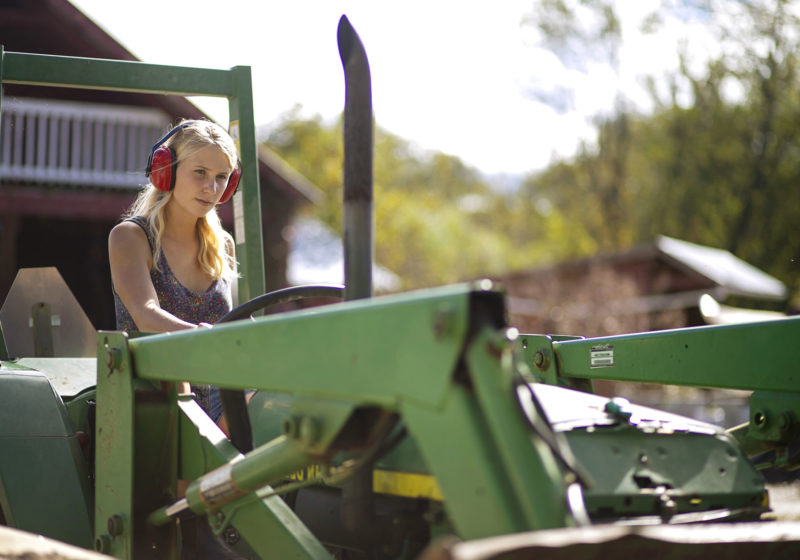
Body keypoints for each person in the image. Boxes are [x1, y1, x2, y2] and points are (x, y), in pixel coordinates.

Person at [109, 119, 240, 423]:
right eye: (200, 173)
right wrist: (203, 339)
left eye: (222, 177)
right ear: (165, 172)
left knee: (279, 406)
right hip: (155, 392)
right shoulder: (131, 237)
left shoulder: (224, 246)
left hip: (219, 390)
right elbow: (145, 313)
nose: (211, 187)